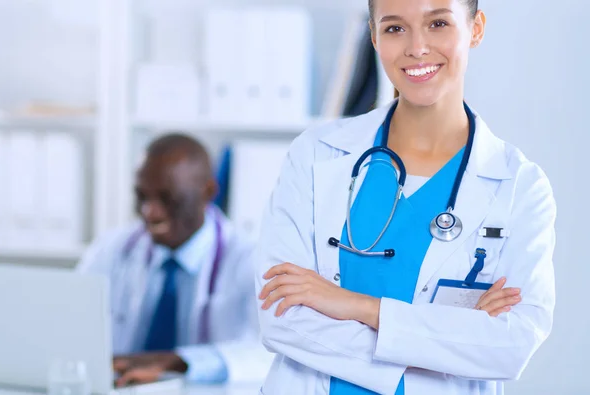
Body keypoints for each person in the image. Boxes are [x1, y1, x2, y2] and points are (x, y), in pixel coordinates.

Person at [255, 0, 556, 394]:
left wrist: (358, 306)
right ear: (374, 36)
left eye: (438, 24)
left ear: (476, 28)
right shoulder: (316, 154)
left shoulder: (520, 185)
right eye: (395, 28)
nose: (417, 47)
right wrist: (446, 344)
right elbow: (281, 316)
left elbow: (511, 346)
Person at [78, 133, 271, 386]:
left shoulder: (252, 260)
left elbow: (269, 353)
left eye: (168, 198)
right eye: (142, 197)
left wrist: (177, 362)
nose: (150, 212)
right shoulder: (112, 249)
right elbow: (70, 323)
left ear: (208, 192)